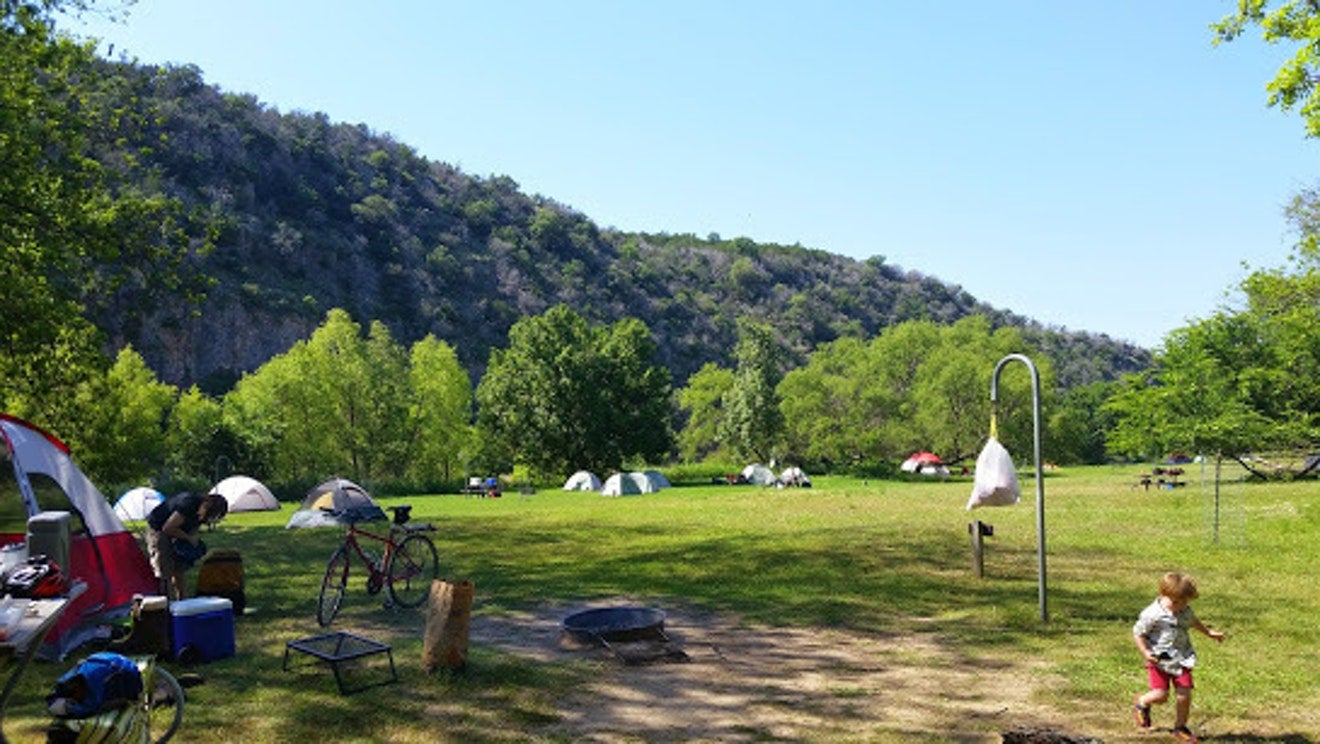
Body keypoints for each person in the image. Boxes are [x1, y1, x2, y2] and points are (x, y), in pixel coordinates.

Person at [1131, 571, 1226, 742]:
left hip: (1182, 658)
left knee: (1184, 695)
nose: (1180, 606)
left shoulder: (1184, 610)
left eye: (1184, 602)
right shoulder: (1152, 613)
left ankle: (1180, 727)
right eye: (1175, 602)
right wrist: (1146, 652)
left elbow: (1193, 621)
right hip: (1159, 660)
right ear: (1162, 594)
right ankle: (1142, 702)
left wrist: (1209, 633)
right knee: (1161, 696)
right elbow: (1138, 633)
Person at [146, 491, 228, 600]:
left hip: (177, 529)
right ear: (205, 505)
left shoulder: (203, 514)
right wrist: (188, 538)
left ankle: (184, 601)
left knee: (179, 569)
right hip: (159, 528)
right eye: (208, 515)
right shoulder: (188, 504)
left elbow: (192, 530)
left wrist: (190, 545)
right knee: (164, 569)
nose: (204, 519)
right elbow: (168, 528)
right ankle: (166, 604)